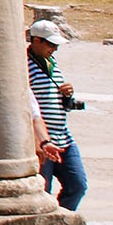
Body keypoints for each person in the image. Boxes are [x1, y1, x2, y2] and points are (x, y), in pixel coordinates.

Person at [28, 19, 87, 211]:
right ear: (36, 40)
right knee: (43, 191)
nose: (54, 49)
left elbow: (56, 101)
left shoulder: (51, 62)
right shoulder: (25, 65)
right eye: (51, 44)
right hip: (41, 139)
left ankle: (60, 217)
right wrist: (38, 141)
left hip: (63, 136)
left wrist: (67, 94)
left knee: (77, 185)